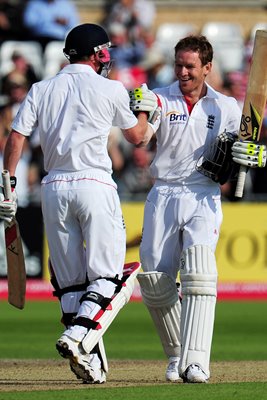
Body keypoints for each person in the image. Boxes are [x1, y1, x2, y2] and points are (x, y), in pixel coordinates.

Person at [0, 23, 158, 384]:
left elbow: (16, 137)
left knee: (71, 284)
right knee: (108, 276)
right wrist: (147, 111)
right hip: (94, 183)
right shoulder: (110, 87)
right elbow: (138, 137)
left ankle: (89, 362)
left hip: (53, 188)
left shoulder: (43, 87)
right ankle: (75, 337)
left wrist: (7, 186)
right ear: (98, 53)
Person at [128, 35, 266, 383]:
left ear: (207, 67)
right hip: (163, 193)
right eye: (179, 65)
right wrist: (140, 109)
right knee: (156, 283)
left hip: (203, 194)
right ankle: (178, 355)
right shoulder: (161, 97)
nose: (183, 72)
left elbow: (246, 148)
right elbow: (142, 137)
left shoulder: (227, 107)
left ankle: (198, 362)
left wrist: (257, 155)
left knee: (200, 273)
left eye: (190, 66)